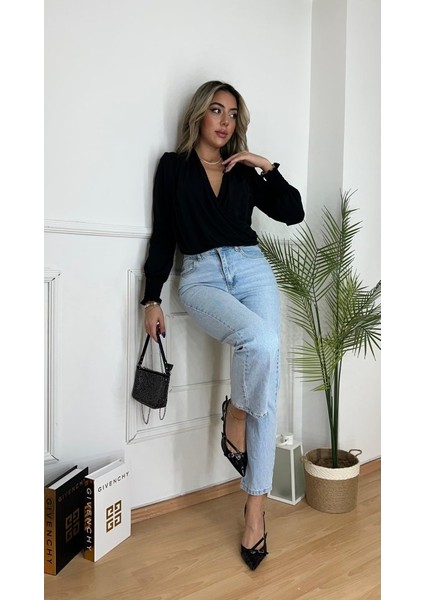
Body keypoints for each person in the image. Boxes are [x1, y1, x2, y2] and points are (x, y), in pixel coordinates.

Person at [142, 80, 304, 570]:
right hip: (201, 276)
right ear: (199, 115)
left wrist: (264, 165)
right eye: (217, 110)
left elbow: (293, 212)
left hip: (252, 269)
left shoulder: (243, 172)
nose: (225, 121)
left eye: (233, 114)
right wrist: (152, 296)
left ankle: (255, 509)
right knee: (262, 342)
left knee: (268, 381)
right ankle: (234, 412)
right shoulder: (173, 167)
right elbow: (163, 235)